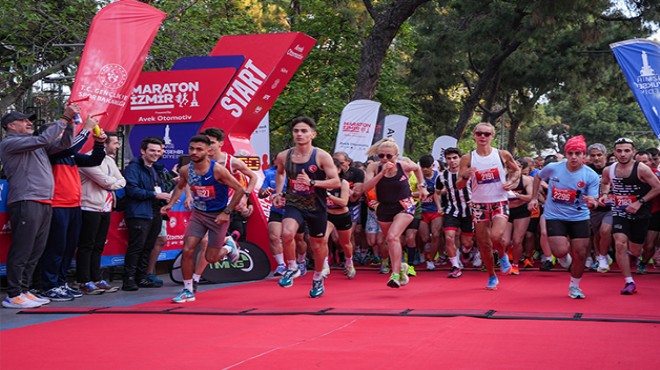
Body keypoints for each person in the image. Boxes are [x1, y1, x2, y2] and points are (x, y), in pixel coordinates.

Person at [0, 106, 78, 308]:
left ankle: (25, 290)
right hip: (26, 200)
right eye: (24, 120)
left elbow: (64, 145)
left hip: (44, 200)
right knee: (23, 249)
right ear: (10, 125)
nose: (30, 123)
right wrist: (63, 118)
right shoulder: (9, 143)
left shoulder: (36, 146)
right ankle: (14, 294)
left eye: (30, 120)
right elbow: (43, 139)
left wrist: (69, 125)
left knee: (36, 250)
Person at [162, 135, 246, 303]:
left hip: (218, 217)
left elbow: (239, 190)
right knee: (187, 249)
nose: (194, 152)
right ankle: (187, 289)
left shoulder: (217, 170)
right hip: (199, 214)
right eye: (191, 148)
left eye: (199, 149)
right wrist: (170, 204)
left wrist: (227, 212)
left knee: (212, 257)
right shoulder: (185, 170)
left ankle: (229, 248)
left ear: (208, 151)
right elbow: (179, 187)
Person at [272, 116, 340, 298]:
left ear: (312, 134)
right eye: (296, 131)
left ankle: (318, 278)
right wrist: (278, 193)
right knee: (286, 233)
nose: (299, 134)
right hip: (294, 202)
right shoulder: (284, 156)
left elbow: (336, 182)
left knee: (317, 246)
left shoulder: (321, 156)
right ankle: (292, 267)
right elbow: (280, 174)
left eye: (304, 131)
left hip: (316, 206)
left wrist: (312, 182)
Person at [528, 136, 600, 299]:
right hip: (555, 215)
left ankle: (574, 286)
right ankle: (565, 261)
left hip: (579, 216)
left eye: (578, 153)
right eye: (570, 153)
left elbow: (594, 202)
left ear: (584, 155)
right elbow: (538, 177)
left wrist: (592, 202)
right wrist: (533, 198)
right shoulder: (553, 168)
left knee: (580, 254)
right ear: (566, 154)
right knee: (559, 251)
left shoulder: (591, 175)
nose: (574, 157)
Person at [457, 123, 520, 290]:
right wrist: (465, 176)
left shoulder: (501, 154)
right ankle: (492, 275)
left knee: (496, 235)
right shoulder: (467, 158)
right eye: (479, 133)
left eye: (486, 134)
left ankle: (502, 254)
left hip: (499, 200)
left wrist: (511, 182)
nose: (483, 137)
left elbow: (516, 171)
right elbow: (459, 185)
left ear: (492, 136)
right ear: (474, 135)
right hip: (478, 204)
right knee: (484, 243)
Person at [363, 138, 428, 288]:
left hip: (404, 205)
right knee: (391, 240)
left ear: (396, 155)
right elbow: (366, 188)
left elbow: (417, 169)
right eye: (381, 156)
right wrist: (382, 173)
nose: (385, 159)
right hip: (384, 207)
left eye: (389, 156)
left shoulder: (403, 165)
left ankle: (395, 274)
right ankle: (402, 268)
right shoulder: (374, 167)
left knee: (392, 236)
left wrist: (422, 186)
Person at [599, 138, 660, 295]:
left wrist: (639, 202)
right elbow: (605, 183)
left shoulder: (642, 169)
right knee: (620, 243)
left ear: (633, 152)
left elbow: (657, 188)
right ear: (614, 152)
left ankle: (633, 256)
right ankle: (629, 281)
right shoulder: (609, 170)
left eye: (626, 150)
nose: (623, 154)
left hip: (640, 213)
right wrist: (605, 194)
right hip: (619, 210)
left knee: (636, 250)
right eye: (619, 151)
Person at [122, 137, 173, 291]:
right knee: (136, 246)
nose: (155, 154)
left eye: (158, 151)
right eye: (152, 150)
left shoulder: (154, 168)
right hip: (139, 213)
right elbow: (131, 189)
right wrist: (154, 195)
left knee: (148, 246)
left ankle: (141, 277)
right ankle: (129, 280)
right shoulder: (133, 168)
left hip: (154, 212)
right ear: (143, 151)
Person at [77, 132, 125, 294]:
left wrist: (111, 183)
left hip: (106, 208)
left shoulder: (109, 160)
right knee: (86, 245)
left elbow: (122, 181)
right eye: (115, 143)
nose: (117, 146)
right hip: (88, 207)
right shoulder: (87, 159)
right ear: (104, 144)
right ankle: (84, 280)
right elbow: (104, 181)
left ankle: (96, 278)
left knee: (98, 246)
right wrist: (111, 183)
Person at [438, 147, 476, 277]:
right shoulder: (442, 175)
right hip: (451, 210)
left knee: (467, 242)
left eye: (455, 158)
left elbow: (480, 189)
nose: (452, 161)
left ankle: (466, 251)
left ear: (460, 159)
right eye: (449, 158)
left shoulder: (470, 173)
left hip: (469, 211)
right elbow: (437, 193)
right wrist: (439, 206)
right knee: (449, 236)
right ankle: (455, 266)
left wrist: (475, 201)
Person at [325, 158, 356, 279]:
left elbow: (343, 202)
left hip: (342, 215)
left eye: (332, 168)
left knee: (344, 243)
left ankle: (349, 262)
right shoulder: (321, 183)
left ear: (338, 170)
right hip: (328, 215)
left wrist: (328, 195)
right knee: (323, 238)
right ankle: (324, 265)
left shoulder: (343, 183)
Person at [502, 160, 533, 275]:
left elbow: (531, 197)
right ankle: (504, 260)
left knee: (517, 240)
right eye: (509, 166)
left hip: (521, 211)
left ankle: (515, 264)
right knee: (504, 241)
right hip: (506, 211)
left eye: (517, 166)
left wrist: (517, 195)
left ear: (521, 168)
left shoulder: (526, 180)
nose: (513, 168)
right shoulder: (502, 179)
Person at [333, 151, 365, 263]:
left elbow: (355, 197)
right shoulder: (329, 172)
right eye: (335, 163)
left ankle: (350, 260)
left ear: (348, 162)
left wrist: (346, 191)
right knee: (336, 238)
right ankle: (342, 256)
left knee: (348, 236)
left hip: (351, 207)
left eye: (341, 163)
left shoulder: (357, 173)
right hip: (333, 207)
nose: (338, 166)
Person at [586, 143, 613, 272]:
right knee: (596, 234)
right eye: (593, 156)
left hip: (611, 207)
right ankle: (599, 257)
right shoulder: (586, 169)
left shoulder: (613, 168)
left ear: (605, 156)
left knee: (605, 230)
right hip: (593, 208)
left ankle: (603, 256)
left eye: (599, 155)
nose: (596, 158)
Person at [417, 154, 444, 272]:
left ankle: (431, 260)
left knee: (436, 234)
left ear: (432, 166)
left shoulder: (439, 176)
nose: (424, 170)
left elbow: (446, 189)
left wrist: (437, 192)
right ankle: (423, 252)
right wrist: (423, 193)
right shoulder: (417, 177)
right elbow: (410, 192)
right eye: (422, 167)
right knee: (424, 238)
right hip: (422, 210)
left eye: (427, 167)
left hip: (436, 210)